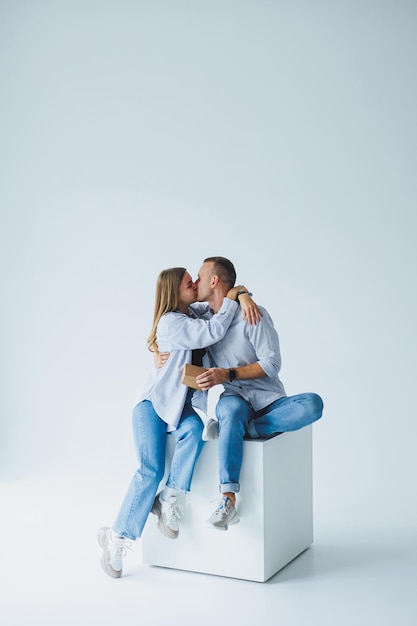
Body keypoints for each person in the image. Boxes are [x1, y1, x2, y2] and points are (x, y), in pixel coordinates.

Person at [97, 266, 260, 578]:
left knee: (195, 430)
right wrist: (235, 298)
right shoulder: (173, 323)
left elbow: (221, 299)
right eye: (189, 283)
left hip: (180, 406)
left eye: (196, 280)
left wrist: (243, 293)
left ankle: (169, 498)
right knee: (151, 469)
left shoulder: (193, 314)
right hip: (153, 405)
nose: (195, 284)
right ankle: (117, 537)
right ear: (176, 292)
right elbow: (213, 331)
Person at [158, 257, 324, 531]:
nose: (195, 283)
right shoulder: (201, 317)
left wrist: (228, 374)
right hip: (234, 399)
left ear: (214, 281)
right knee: (230, 411)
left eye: (199, 277)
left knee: (312, 405)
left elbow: (271, 364)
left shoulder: (253, 315)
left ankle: (244, 429)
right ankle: (227, 500)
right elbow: (169, 324)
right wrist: (154, 350)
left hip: (269, 401)